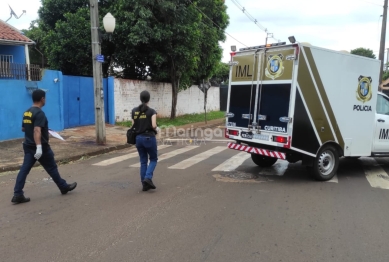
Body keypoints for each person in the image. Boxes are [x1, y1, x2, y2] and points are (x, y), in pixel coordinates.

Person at [11, 89, 77, 204]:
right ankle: (63, 187)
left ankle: (17, 194)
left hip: (28, 146)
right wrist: (39, 147)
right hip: (41, 147)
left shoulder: (27, 112)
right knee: (51, 168)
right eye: (45, 98)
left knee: (24, 170)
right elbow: (37, 130)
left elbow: (24, 128)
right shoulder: (39, 113)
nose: (45, 100)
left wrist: (44, 129)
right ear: (42, 99)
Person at [131, 90, 159, 191]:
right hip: (149, 138)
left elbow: (133, 125)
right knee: (153, 159)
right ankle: (148, 178)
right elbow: (154, 125)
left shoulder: (134, 111)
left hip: (138, 139)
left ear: (140, 98)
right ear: (148, 99)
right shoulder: (152, 111)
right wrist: (158, 130)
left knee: (143, 161)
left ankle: (144, 184)